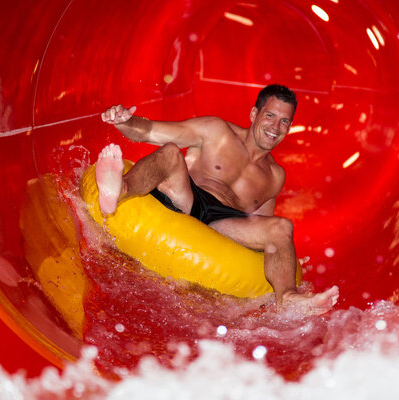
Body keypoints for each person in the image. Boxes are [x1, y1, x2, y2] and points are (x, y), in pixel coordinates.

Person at [96, 84, 339, 314]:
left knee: (282, 227)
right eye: (270, 116)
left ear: (290, 127)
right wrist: (125, 121)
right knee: (170, 152)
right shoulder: (216, 131)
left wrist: (284, 254)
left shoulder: (275, 175)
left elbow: (260, 224)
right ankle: (118, 190)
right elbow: (149, 132)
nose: (276, 127)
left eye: (284, 121)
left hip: (223, 223)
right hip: (187, 195)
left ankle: (287, 297)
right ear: (254, 113)